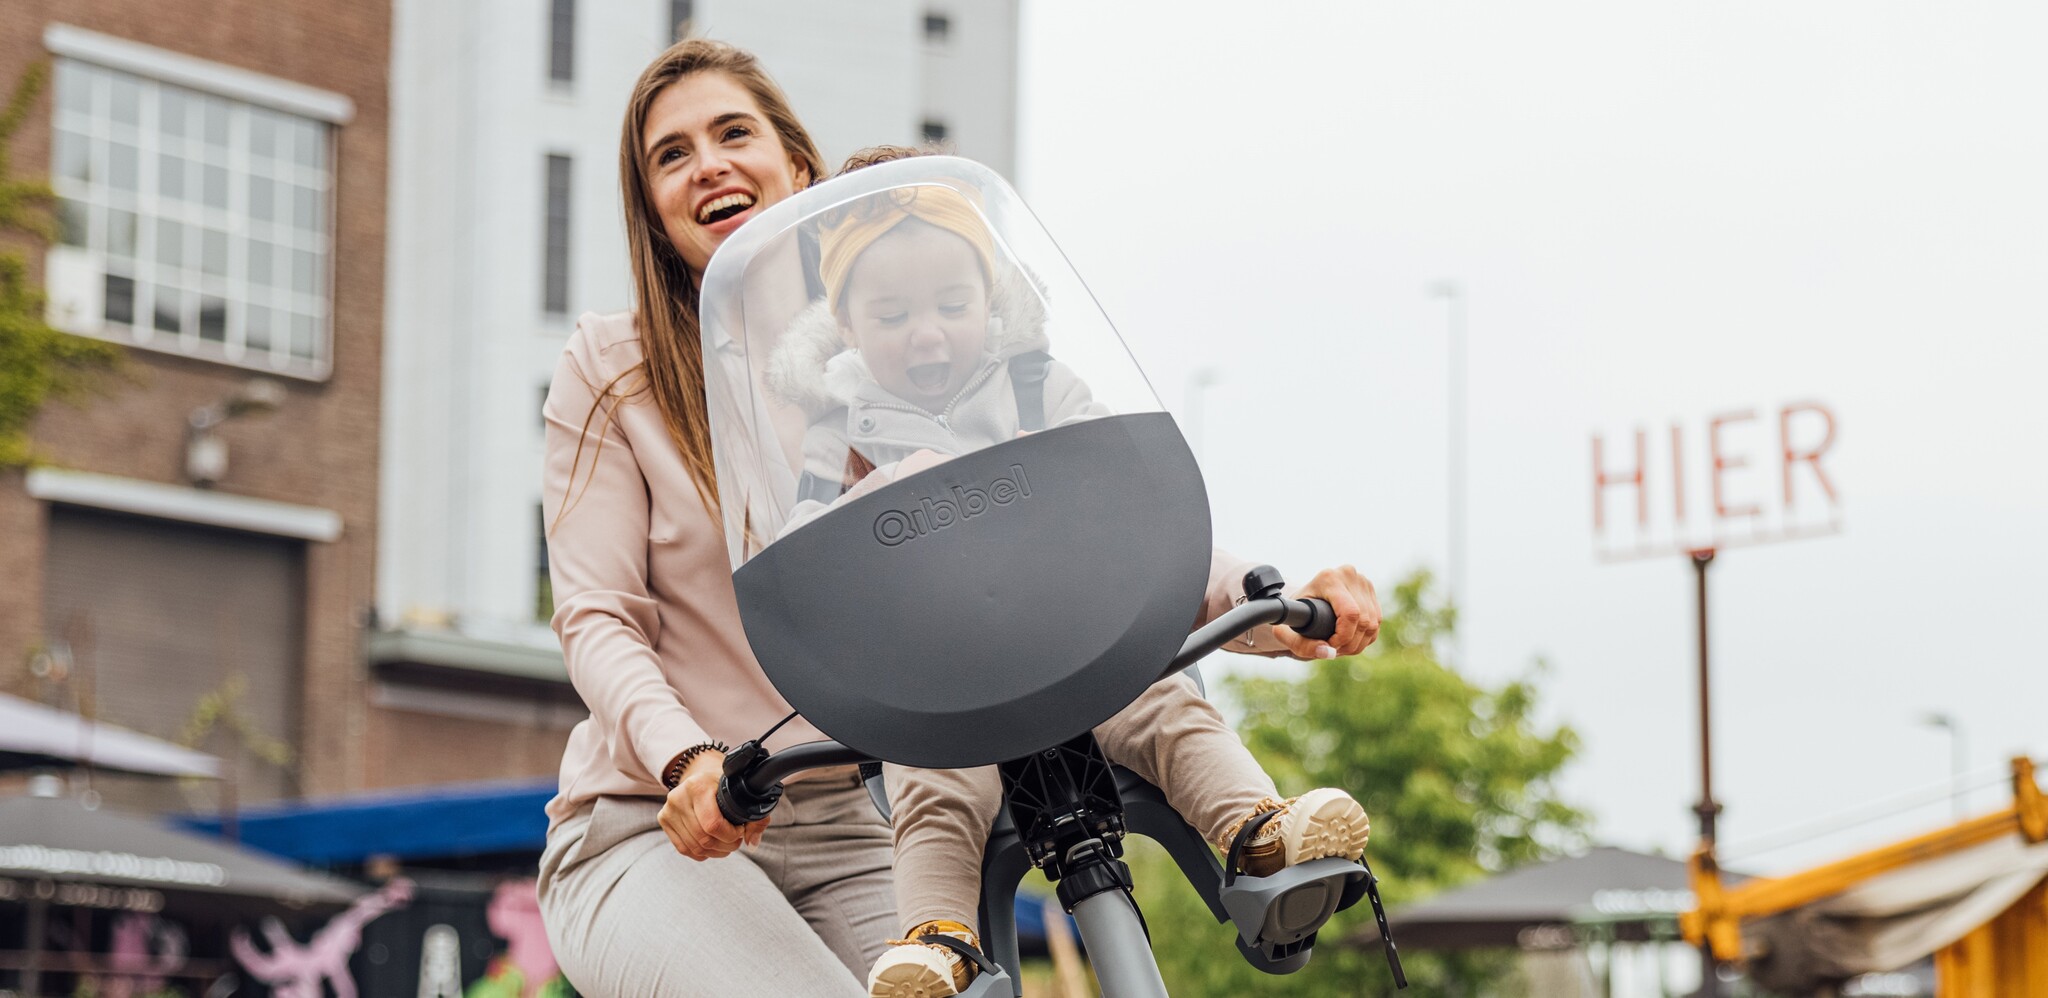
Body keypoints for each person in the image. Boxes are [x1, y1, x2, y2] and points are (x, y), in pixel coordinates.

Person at [537, 39, 1382, 995]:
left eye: (735, 133)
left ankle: (1258, 830)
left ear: (800, 171)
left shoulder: (903, 350)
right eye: (672, 154)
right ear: (652, 206)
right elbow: (597, 617)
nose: (710, 164)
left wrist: (1268, 610)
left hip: (855, 813)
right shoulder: (616, 368)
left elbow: (1081, 526)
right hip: (656, 821)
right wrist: (685, 760)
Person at [763, 151, 1380, 998]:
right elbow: (808, 570)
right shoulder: (840, 436)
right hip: (946, 696)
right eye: (893, 313)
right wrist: (877, 499)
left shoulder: (1039, 390)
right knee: (933, 788)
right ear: (846, 325)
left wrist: (1255, 598)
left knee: (1167, 706)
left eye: (952, 303)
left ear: (990, 298)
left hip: (1081, 659)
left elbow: (1147, 526)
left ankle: (1259, 835)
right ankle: (939, 942)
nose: (929, 331)